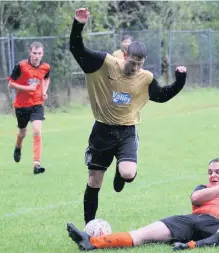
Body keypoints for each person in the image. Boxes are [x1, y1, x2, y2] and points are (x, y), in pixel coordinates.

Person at [69, 7, 187, 225]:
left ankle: (120, 172)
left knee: (128, 173)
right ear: (125, 56)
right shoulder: (105, 63)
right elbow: (77, 49)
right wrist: (78, 24)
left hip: (126, 132)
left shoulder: (145, 78)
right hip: (102, 130)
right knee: (94, 181)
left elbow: (162, 96)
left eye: (140, 64)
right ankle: (89, 228)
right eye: (133, 62)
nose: (135, 67)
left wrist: (180, 80)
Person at [66, 158, 219, 251]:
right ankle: (92, 242)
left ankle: (193, 246)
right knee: (142, 234)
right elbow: (196, 199)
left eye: (217, 172)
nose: (212, 175)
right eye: (210, 172)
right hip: (191, 221)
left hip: (218, 227)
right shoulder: (202, 188)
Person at [8, 41, 51, 174]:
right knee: (22, 133)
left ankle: (36, 164)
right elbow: (10, 84)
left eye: (39, 53)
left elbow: (46, 78)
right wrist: (26, 88)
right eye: (34, 53)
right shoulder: (21, 66)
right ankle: (18, 147)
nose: (37, 56)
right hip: (21, 105)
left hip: (37, 104)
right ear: (30, 53)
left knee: (37, 130)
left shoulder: (45, 67)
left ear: (42, 54)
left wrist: (44, 91)